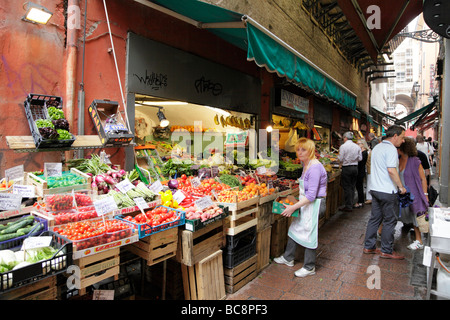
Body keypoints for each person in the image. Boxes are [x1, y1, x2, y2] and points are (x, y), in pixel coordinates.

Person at [273, 137, 328, 278]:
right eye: (298, 149)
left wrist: (293, 207)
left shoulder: (315, 167)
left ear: (311, 151)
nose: (299, 152)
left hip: (315, 204)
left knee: (309, 234)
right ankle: (288, 257)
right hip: (307, 204)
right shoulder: (306, 165)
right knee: (295, 228)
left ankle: (309, 267)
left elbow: (311, 196)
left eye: (303, 150)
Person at [363, 125, 407, 260]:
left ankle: (368, 246)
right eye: (402, 137)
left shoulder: (377, 147)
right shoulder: (391, 149)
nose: (403, 140)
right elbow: (391, 170)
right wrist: (401, 187)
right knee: (390, 220)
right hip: (387, 190)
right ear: (395, 136)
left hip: (375, 189)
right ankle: (386, 250)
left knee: (375, 218)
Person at [397, 137, 429, 250]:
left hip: (414, 194)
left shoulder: (415, 161)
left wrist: (425, 194)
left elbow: (423, 179)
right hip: (402, 195)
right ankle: (381, 233)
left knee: (415, 216)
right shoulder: (398, 159)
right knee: (400, 214)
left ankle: (419, 241)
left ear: (402, 148)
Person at [338, 132, 362, 212]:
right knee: (352, 186)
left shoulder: (343, 146)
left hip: (347, 168)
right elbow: (360, 159)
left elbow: (341, 158)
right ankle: (351, 203)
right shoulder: (357, 146)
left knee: (347, 187)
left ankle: (348, 206)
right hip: (355, 168)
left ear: (345, 138)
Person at [354, 139, 369, 208]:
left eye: (359, 143)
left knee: (359, 186)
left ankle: (360, 201)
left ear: (363, 144)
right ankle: (360, 201)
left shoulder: (364, 152)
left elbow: (361, 162)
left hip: (360, 171)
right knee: (359, 186)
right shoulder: (362, 152)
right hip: (360, 170)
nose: (357, 145)